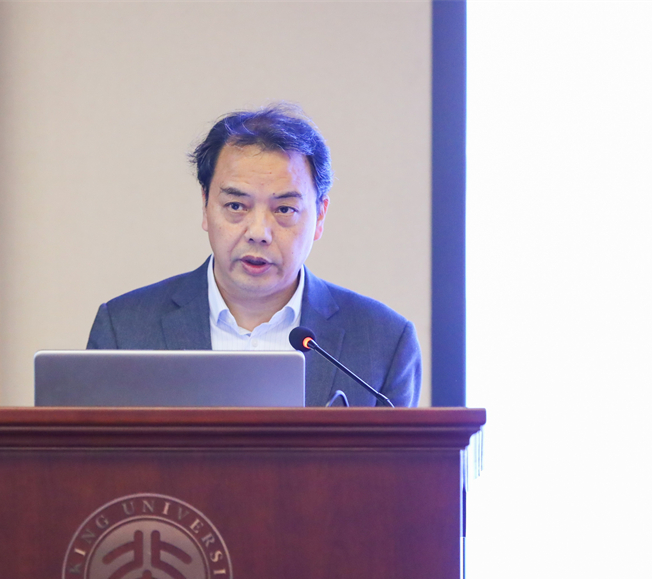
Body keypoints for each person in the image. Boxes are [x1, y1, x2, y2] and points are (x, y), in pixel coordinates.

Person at [87, 104, 421, 407]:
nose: (258, 232)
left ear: (320, 216)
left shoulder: (383, 341)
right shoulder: (125, 330)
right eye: (236, 206)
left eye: (284, 209)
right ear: (205, 205)